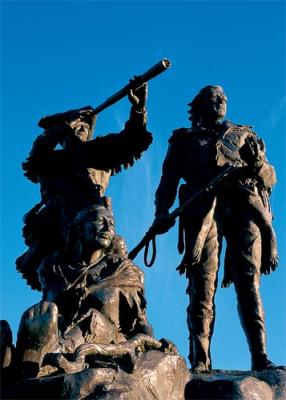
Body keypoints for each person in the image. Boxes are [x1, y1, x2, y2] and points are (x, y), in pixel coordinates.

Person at [154, 85, 278, 373]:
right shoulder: (183, 140)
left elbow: (270, 177)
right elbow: (167, 182)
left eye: (224, 98)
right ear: (198, 106)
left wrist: (258, 163)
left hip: (243, 208)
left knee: (249, 285)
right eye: (213, 97)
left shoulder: (245, 134)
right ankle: (201, 359)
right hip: (201, 213)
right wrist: (161, 214)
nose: (221, 101)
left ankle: (260, 357)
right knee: (202, 288)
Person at [16, 82, 152, 291]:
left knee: (114, 261)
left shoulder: (98, 154)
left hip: (98, 225)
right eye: (75, 127)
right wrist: (64, 125)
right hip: (60, 228)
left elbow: (131, 142)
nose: (79, 130)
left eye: (84, 126)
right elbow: (37, 155)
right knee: (59, 277)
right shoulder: (51, 162)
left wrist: (138, 108)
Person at [15, 201, 155, 378]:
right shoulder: (54, 269)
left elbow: (141, 324)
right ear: (80, 229)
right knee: (43, 313)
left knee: (93, 317)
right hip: (58, 331)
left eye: (111, 223)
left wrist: (149, 345)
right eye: (99, 221)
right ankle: (20, 359)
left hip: (104, 339)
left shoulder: (126, 271)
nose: (107, 227)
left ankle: (53, 357)